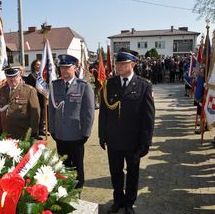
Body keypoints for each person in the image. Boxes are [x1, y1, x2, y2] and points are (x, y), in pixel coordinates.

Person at [99, 48, 155, 214]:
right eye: (118, 64)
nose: (119, 67)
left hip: (133, 141)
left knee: (132, 173)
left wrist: (146, 142)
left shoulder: (144, 86)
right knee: (115, 172)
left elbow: (149, 118)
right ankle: (118, 201)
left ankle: (129, 203)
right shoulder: (110, 84)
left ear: (133, 65)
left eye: (123, 64)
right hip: (114, 140)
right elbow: (104, 112)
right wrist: (102, 135)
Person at [49, 54, 95, 189]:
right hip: (60, 135)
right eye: (62, 68)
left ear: (74, 68)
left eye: (67, 68)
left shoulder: (83, 86)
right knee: (63, 168)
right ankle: (65, 194)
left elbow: (89, 112)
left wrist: (86, 133)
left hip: (77, 135)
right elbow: (51, 110)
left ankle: (77, 193)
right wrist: (53, 130)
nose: (63, 71)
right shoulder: (55, 86)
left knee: (77, 168)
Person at [0, 64, 40, 140]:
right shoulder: (2, 90)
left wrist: (33, 132)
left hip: (22, 133)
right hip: (5, 133)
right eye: (9, 77)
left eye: (15, 76)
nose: (12, 79)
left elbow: (35, 113)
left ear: (20, 75)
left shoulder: (29, 90)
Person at [24, 59, 47, 138]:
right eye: (37, 64)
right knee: (36, 115)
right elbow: (30, 88)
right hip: (35, 98)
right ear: (34, 66)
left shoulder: (43, 75)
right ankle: (35, 133)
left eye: (40, 64)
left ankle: (41, 130)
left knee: (42, 114)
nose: (39, 66)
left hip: (42, 97)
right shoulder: (31, 76)